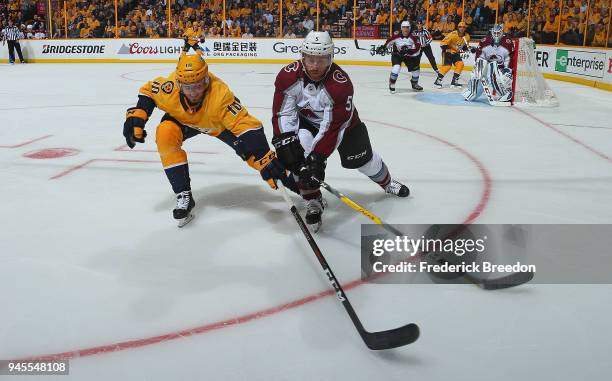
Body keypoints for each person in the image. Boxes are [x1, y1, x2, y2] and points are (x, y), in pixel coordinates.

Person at [122, 39, 295, 227]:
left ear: (206, 79)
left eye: (198, 85)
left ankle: (304, 189)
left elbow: (247, 126)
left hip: (218, 125)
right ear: (179, 84)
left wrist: (265, 157)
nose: (194, 92)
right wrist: (138, 116)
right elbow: (148, 91)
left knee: (260, 160)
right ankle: (183, 193)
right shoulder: (169, 88)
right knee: (165, 133)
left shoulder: (220, 96)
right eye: (188, 87)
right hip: (184, 121)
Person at [271, 31, 410, 232]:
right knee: (298, 156)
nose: (315, 66)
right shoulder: (287, 76)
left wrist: (318, 158)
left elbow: (332, 128)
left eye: (321, 59)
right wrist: (284, 140)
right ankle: (313, 200)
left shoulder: (340, 85)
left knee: (364, 161)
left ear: (331, 58)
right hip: (308, 122)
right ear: (303, 57)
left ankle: (387, 183)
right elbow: (283, 113)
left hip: (346, 126)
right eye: (310, 59)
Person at [463, 24, 515, 104]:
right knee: (473, 94)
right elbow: (479, 56)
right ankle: (472, 91)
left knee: (496, 73)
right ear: (492, 32)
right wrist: (479, 67)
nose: (496, 35)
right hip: (486, 65)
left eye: (498, 33)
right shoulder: (485, 41)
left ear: (502, 32)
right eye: (495, 33)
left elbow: (511, 57)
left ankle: (505, 94)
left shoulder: (507, 42)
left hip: (501, 69)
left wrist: (508, 69)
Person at [378, 20, 423, 93]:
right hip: (397, 55)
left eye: (407, 27)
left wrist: (408, 51)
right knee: (396, 68)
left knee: (416, 70)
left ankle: (415, 83)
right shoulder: (396, 36)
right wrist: (383, 48)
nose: (405, 29)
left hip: (409, 56)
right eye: (404, 27)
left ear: (410, 28)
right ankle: (392, 83)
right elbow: (388, 43)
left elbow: (417, 49)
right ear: (401, 28)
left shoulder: (414, 37)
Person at [433, 21, 470, 89]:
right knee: (447, 66)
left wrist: (468, 49)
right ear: (457, 27)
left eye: (463, 27)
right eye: (460, 27)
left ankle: (454, 81)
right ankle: (438, 81)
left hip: (456, 53)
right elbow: (442, 43)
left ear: (465, 28)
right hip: (447, 52)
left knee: (460, 64)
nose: (462, 28)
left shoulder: (467, 37)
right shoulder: (452, 34)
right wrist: (447, 51)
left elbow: (464, 47)